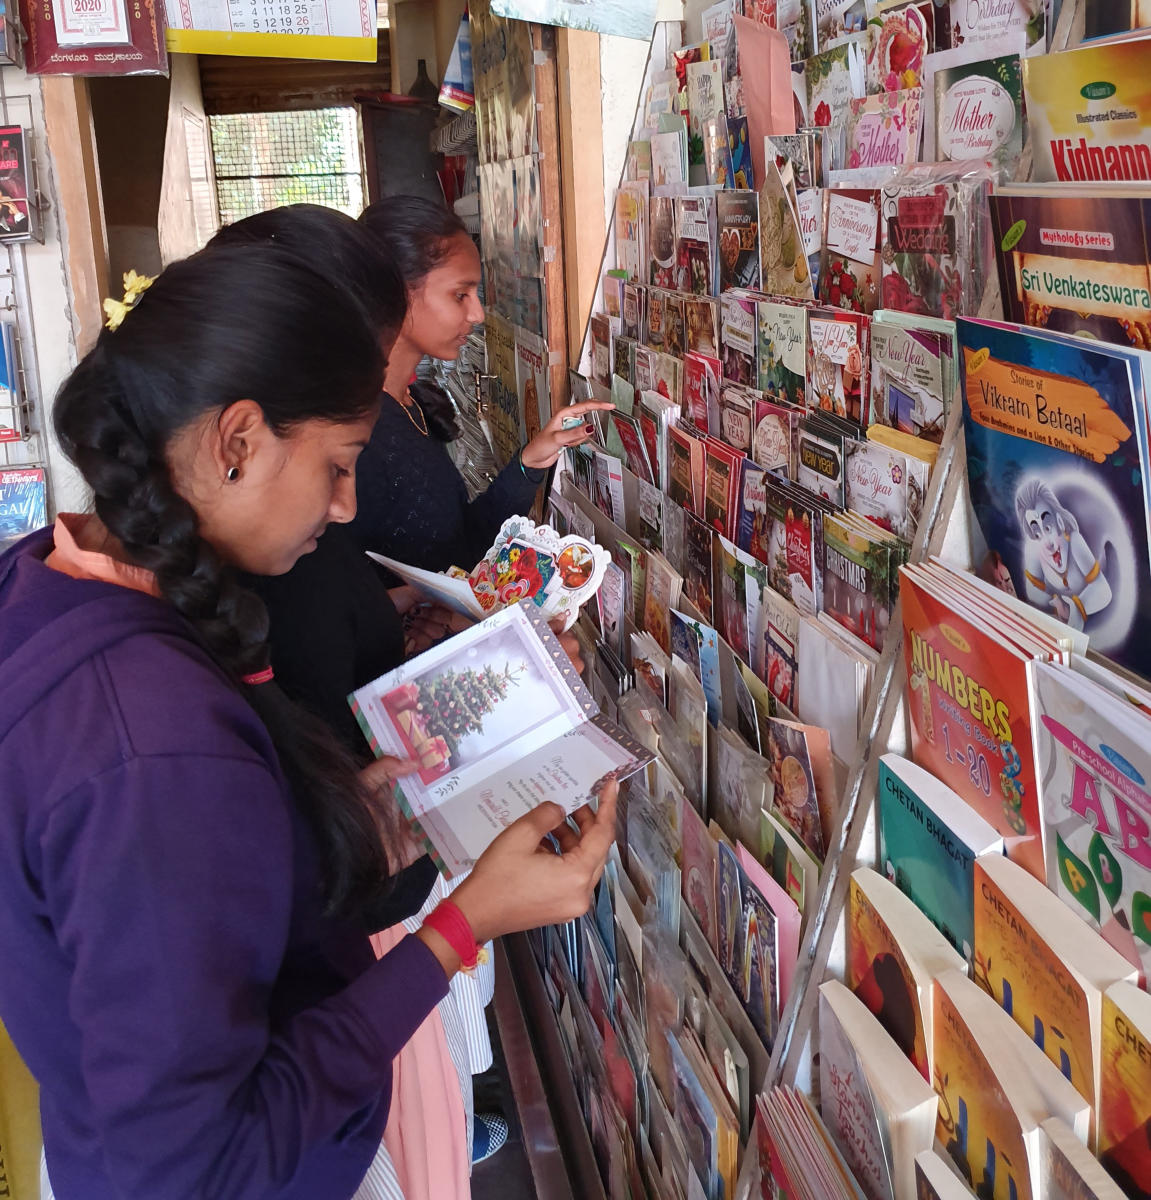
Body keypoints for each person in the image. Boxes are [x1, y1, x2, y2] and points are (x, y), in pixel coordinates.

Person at [0, 243, 617, 1200]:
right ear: (236, 441)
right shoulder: (148, 742)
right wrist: (462, 925)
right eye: (336, 464)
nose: (346, 506)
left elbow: (221, 875)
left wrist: (421, 780)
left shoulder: (52, 579)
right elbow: (203, 1168)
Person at [353, 194, 611, 573]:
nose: (476, 313)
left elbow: (462, 547)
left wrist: (532, 459)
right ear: (394, 292)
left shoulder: (410, 404)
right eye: (460, 295)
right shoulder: (358, 434)